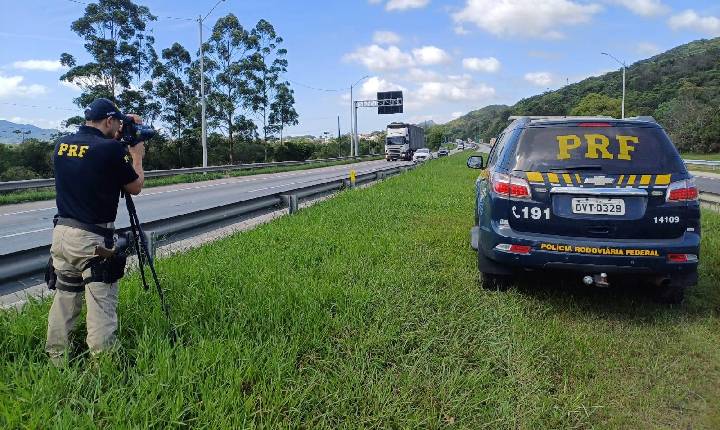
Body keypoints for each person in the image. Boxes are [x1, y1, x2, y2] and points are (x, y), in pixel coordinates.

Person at [45, 98, 146, 364]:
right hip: (92, 242)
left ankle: (56, 359)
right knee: (101, 306)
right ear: (109, 121)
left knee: (65, 299)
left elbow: (91, 163)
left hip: (62, 235)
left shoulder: (62, 144)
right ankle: (104, 368)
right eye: (117, 123)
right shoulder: (111, 150)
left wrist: (124, 128)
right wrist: (136, 155)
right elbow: (134, 187)